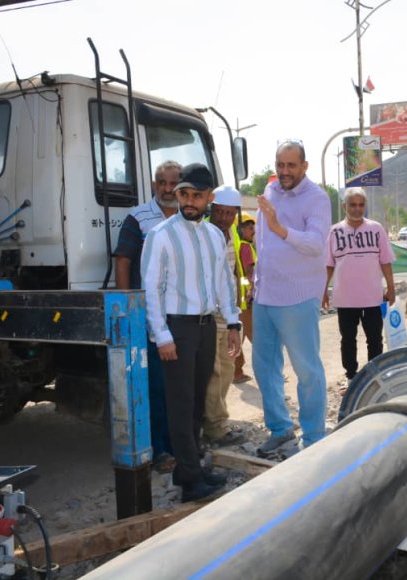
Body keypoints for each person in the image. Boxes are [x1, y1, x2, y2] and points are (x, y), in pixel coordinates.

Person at [141, 162, 241, 503]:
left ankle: (189, 470)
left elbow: (224, 283)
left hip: (204, 327)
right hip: (176, 329)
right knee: (180, 407)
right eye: (183, 194)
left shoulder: (214, 235)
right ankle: (191, 481)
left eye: (196, 195)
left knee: (198, 401)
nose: (188, 201)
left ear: (208, 197)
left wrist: (233, 322)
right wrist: (162, 336)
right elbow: (150, 289)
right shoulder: (161, 235)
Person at [253, 140, 331, 457]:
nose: (284, 171)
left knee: (307, 370)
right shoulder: (270, 192)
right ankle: (280, 429)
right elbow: (262, 240)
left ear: (304, 166)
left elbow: (315, 244)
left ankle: (313, 436)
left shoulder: (317, 198)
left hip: (297, 297)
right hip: (265, 295)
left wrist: (279, 227)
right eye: (280, 164)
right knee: (265, 368)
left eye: (291, 165)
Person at [113, 160, 180, 474]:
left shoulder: (189, 215)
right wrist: (129, 308)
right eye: (161, 183)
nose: (167, 190)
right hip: (150, 316)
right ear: (154, 184)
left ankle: (184, 443)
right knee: (156, 385)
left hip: (183, 314)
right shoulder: (138, 218)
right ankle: (161, 450)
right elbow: (123, 261)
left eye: (173, 183)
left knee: (182, 384)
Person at [323, 188, 396, 380]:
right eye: (352, 205)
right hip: (345, 298)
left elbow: (385, 261)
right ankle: (352, 377)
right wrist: (322, 291)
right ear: (344, 206)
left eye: (361, 205)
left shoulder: (376, 229)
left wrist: (391, 287)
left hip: (373, 297)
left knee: (375, 340)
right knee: (348, 340)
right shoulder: (335, 231)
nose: (357, 209)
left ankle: (375, 375)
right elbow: (328, 265)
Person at [203, 185, 247, 447]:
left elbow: (232, 271)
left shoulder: (231, 234)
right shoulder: (205, 234)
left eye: (229, 213)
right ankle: (215, 428)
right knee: (214, 373)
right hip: (210, 315)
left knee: (227, 370)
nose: (223, 217)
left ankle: (215, 422)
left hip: (228, 314)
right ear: (212, 210)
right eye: (219, 212)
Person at [233, 217, 257, 383]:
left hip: (241, 298)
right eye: (249, 228)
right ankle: (237, 372)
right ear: (240, 229)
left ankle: (236, 370)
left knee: (239, 335)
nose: (253, 231)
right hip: (246, 300)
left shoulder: (239, 246)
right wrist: (250, 290)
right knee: (254, 335)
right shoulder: (246, 247)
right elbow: (249, 271)